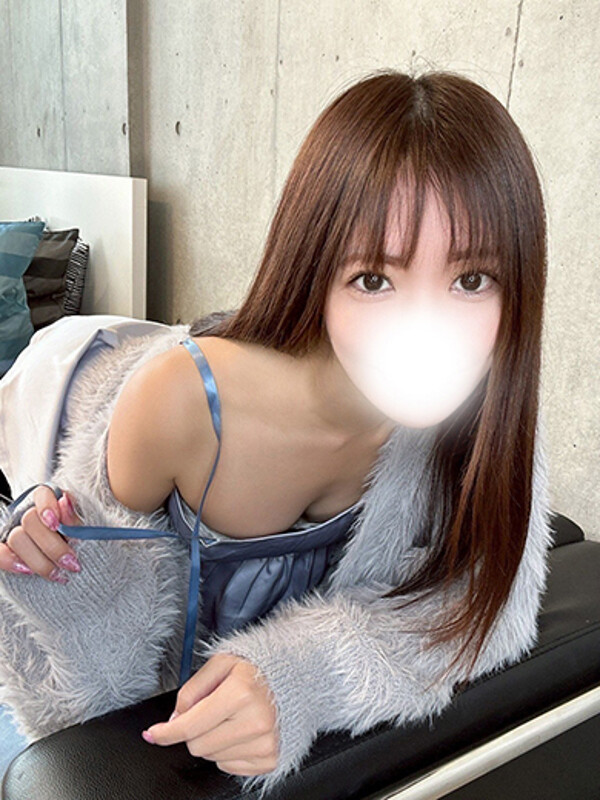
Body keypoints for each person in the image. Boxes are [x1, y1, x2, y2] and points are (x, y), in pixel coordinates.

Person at [0, 68, 553, 798]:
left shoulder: (484, 415)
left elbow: (488, 604)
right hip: (66, 377)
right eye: (375, 279)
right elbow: (76, 695)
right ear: (316, 266)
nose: (428, 331)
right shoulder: (181, 404)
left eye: (471, 279)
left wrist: (303, 677)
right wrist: (62, 579)